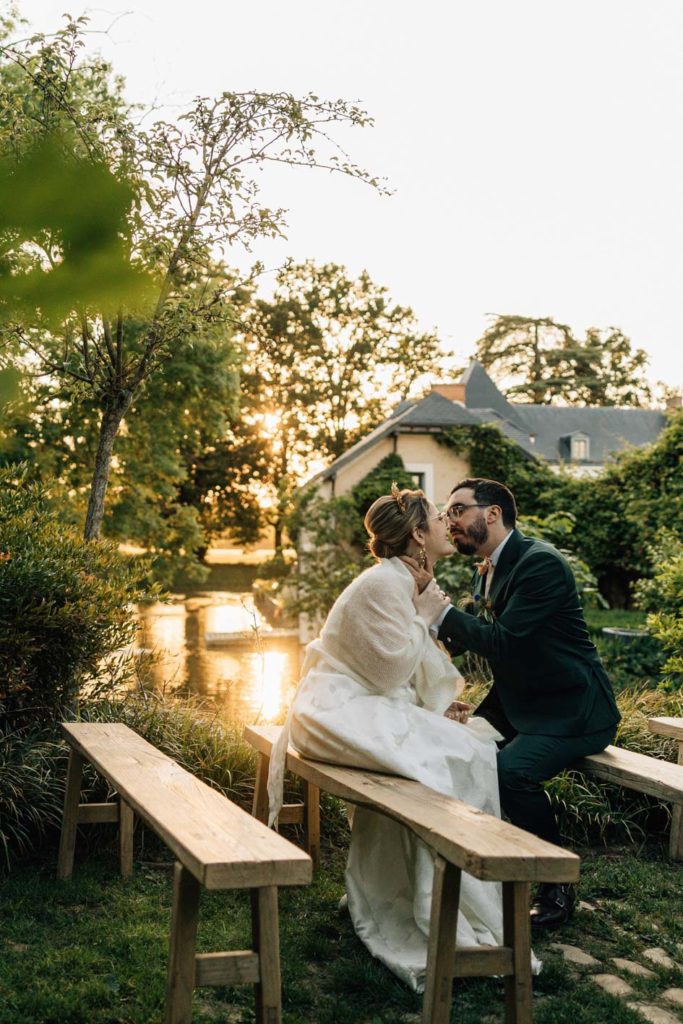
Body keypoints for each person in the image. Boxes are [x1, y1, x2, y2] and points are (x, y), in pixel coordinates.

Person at [266, 484, 527, 992]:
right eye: (438, 515)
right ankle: (437, 900)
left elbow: (397, 667)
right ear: (417, 534)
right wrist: (429, 619)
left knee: (466, 745)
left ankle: (440, 888)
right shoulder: (385, 582)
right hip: (333, 711)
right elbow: (388, 672)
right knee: (456, 756)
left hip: (359, 705)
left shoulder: (406, 579)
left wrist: (435, 701)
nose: (448, 522)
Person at [403, 477, 621, 929]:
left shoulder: (541, 564)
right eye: (447, 513)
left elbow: (502, 643)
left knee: (512, 771)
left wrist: (438, 608)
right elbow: (469, 639)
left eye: (459, 510)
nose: (450, 521)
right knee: (457, 745)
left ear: (493, 514)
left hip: (573, 709)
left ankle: (556, 883)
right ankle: (478, 867)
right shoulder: (490, 564)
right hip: (520, 701)